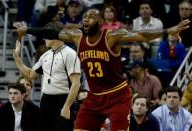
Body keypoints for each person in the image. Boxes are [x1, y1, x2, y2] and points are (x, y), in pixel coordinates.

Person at [15, 8, 190, 131]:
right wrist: (27, 29)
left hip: (117, 96)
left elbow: (142, 35)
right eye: (84, 17)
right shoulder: (77, 37)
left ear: (99, 22)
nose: (86, 19)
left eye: (90, 16)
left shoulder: (112, 37)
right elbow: (51, 33)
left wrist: (168, 30)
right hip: (94, 97)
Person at [13, 22, 81, 131]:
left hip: (63, 100)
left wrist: (67, 106)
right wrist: (17, 59)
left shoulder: (70, 54)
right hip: (46, 101)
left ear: (53, 35)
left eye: (45, 35)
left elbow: (76, 83)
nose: (43, 39)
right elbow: (30, 75)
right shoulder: (46, 55)